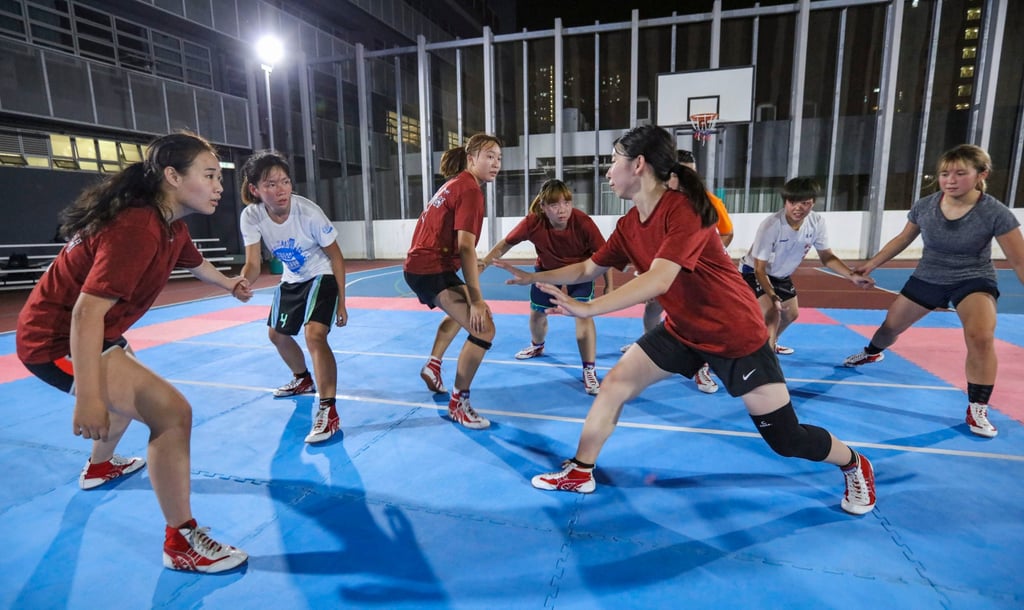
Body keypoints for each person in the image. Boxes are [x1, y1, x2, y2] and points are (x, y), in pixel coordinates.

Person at [495, 124, 876, 515]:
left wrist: (589, 308)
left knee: (786, 439)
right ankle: (581, 470)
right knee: (614, 385)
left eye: (613, 162)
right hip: (682, 329)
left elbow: (659, 278)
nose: (608, 172)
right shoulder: (628, 226)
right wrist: (534, 277)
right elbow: (588, 268)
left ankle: (853, 462)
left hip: (735, 335)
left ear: (638, 165)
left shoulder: (684, 210)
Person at [16, 131, 251, 572]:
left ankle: (100, 468)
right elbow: (85, 313)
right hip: (54, 340)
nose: (220, 185)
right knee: (171, 414)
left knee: (127, 402)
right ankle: (181, 542)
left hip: (100, 333)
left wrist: (229, 283)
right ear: (172, 177)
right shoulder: (137, 227)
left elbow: (195, 264)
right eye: (210, 174)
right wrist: (88, 396)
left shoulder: (169, 225)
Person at [844, 144, 1024, 438]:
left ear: (981, 174)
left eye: (960, 173)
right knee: (889, 328)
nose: (950, 179)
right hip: (928, 276)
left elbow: (1019, 259)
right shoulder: (926, 205)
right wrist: (871, 264)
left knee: (981, 336)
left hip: (973, 278)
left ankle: (977, 406)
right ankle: (872, 353)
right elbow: (903, 239)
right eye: (944, 173)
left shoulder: (995, 212)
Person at [238, 150, 348, 444]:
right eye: (271, 184)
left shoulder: (308, 212)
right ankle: (303, 379)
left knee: (314, 335)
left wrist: (342, 302)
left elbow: (336, 257)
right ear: (255, 189)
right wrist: (243, 282)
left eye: (284, 182)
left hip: (321, 273)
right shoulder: (251, 216)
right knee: (276, 334)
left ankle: (328, 411)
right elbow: (252, 264)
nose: (280, 189)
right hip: (292, 278)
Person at [404, 134, 503, 429]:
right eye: (489, 156)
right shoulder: (471, 190)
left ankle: (434, 365)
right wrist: (475, 299)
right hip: (429, 269)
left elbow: (456, 245)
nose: (495, 163)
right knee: (483, 328)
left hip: (429, 266)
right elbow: (465, 247)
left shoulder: (454, 184)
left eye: (499, 157)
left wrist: (470, 282)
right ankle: (459, 403)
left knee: (471, 317)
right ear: (471, 159)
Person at [479, 178, 613, 395]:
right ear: (543, 207)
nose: (562, 210)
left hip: (580, 273)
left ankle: (589, 369)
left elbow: (604, 256)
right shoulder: (533, 222)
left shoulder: (583, 222)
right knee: (537, 315)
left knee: (583, 315)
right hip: (547, 272)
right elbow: (506, 243)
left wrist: (609, 286)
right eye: (554, 205)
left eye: (566, 203)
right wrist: (483, 263)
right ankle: (537, 345)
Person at [621, 149, 733, 394]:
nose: (684, 179)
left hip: (695, 278)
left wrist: (698, 257)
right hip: (664, 272)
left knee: (698, 322)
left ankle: (701, 366)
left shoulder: (709, 202)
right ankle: (652, 348)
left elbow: (726, 232)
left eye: (689, 172)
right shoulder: (657, 205)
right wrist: (648, 272)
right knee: (652, 312)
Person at [739, 177, 874, 355]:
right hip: (754, 272)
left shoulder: (816, 223)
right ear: (785, 201)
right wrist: (772, 295)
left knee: (791, 314)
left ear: (813, 203)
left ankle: (769, 343)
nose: (798, 208)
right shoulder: (771, 226)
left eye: (804, 203)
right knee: (772, 314)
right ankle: (765, 359)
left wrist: (852, 275)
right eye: (792, 202)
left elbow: (827, 257)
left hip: (780, 275)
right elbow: (759, 269)